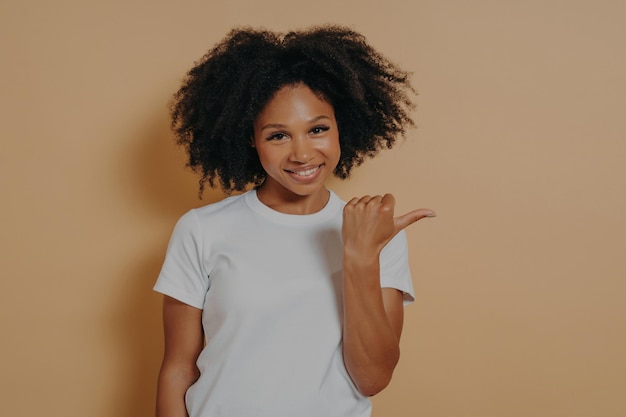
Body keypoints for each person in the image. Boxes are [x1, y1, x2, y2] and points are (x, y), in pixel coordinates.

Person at [154, 25, 435, 417]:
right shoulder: (202, 229)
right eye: (278, 136)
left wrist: (359, 256)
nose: (302, 154)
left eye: (318, 129)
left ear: (342, 125)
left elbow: (372, 379)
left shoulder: (373, 232)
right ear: (250, 138)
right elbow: (177, 369)